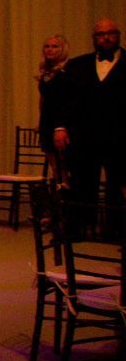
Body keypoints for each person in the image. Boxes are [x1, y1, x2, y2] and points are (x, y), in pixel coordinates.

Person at [48, 17, 125, 218]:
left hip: (119, 136)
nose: (106, 38)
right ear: (94, 38)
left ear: (118, 36)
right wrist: (60, 127)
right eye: (101, 34)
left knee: (117, 183)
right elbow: (64, 101)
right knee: (83, 181)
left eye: (110, 33)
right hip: (84, 135)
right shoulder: (77, 65)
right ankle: (81, 226)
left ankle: (115, 230)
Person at [35, 34, 71, 184]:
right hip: (47, 120)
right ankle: (59, 195)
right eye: (47, 46)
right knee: (54, 166)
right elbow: (43, 99)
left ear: (63, 49)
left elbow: (68, 100)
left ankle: (67, 195)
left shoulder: (67, 71)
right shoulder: (46, 72)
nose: (50, 50)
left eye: (55, 46)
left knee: (64, 165)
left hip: (61, 121)